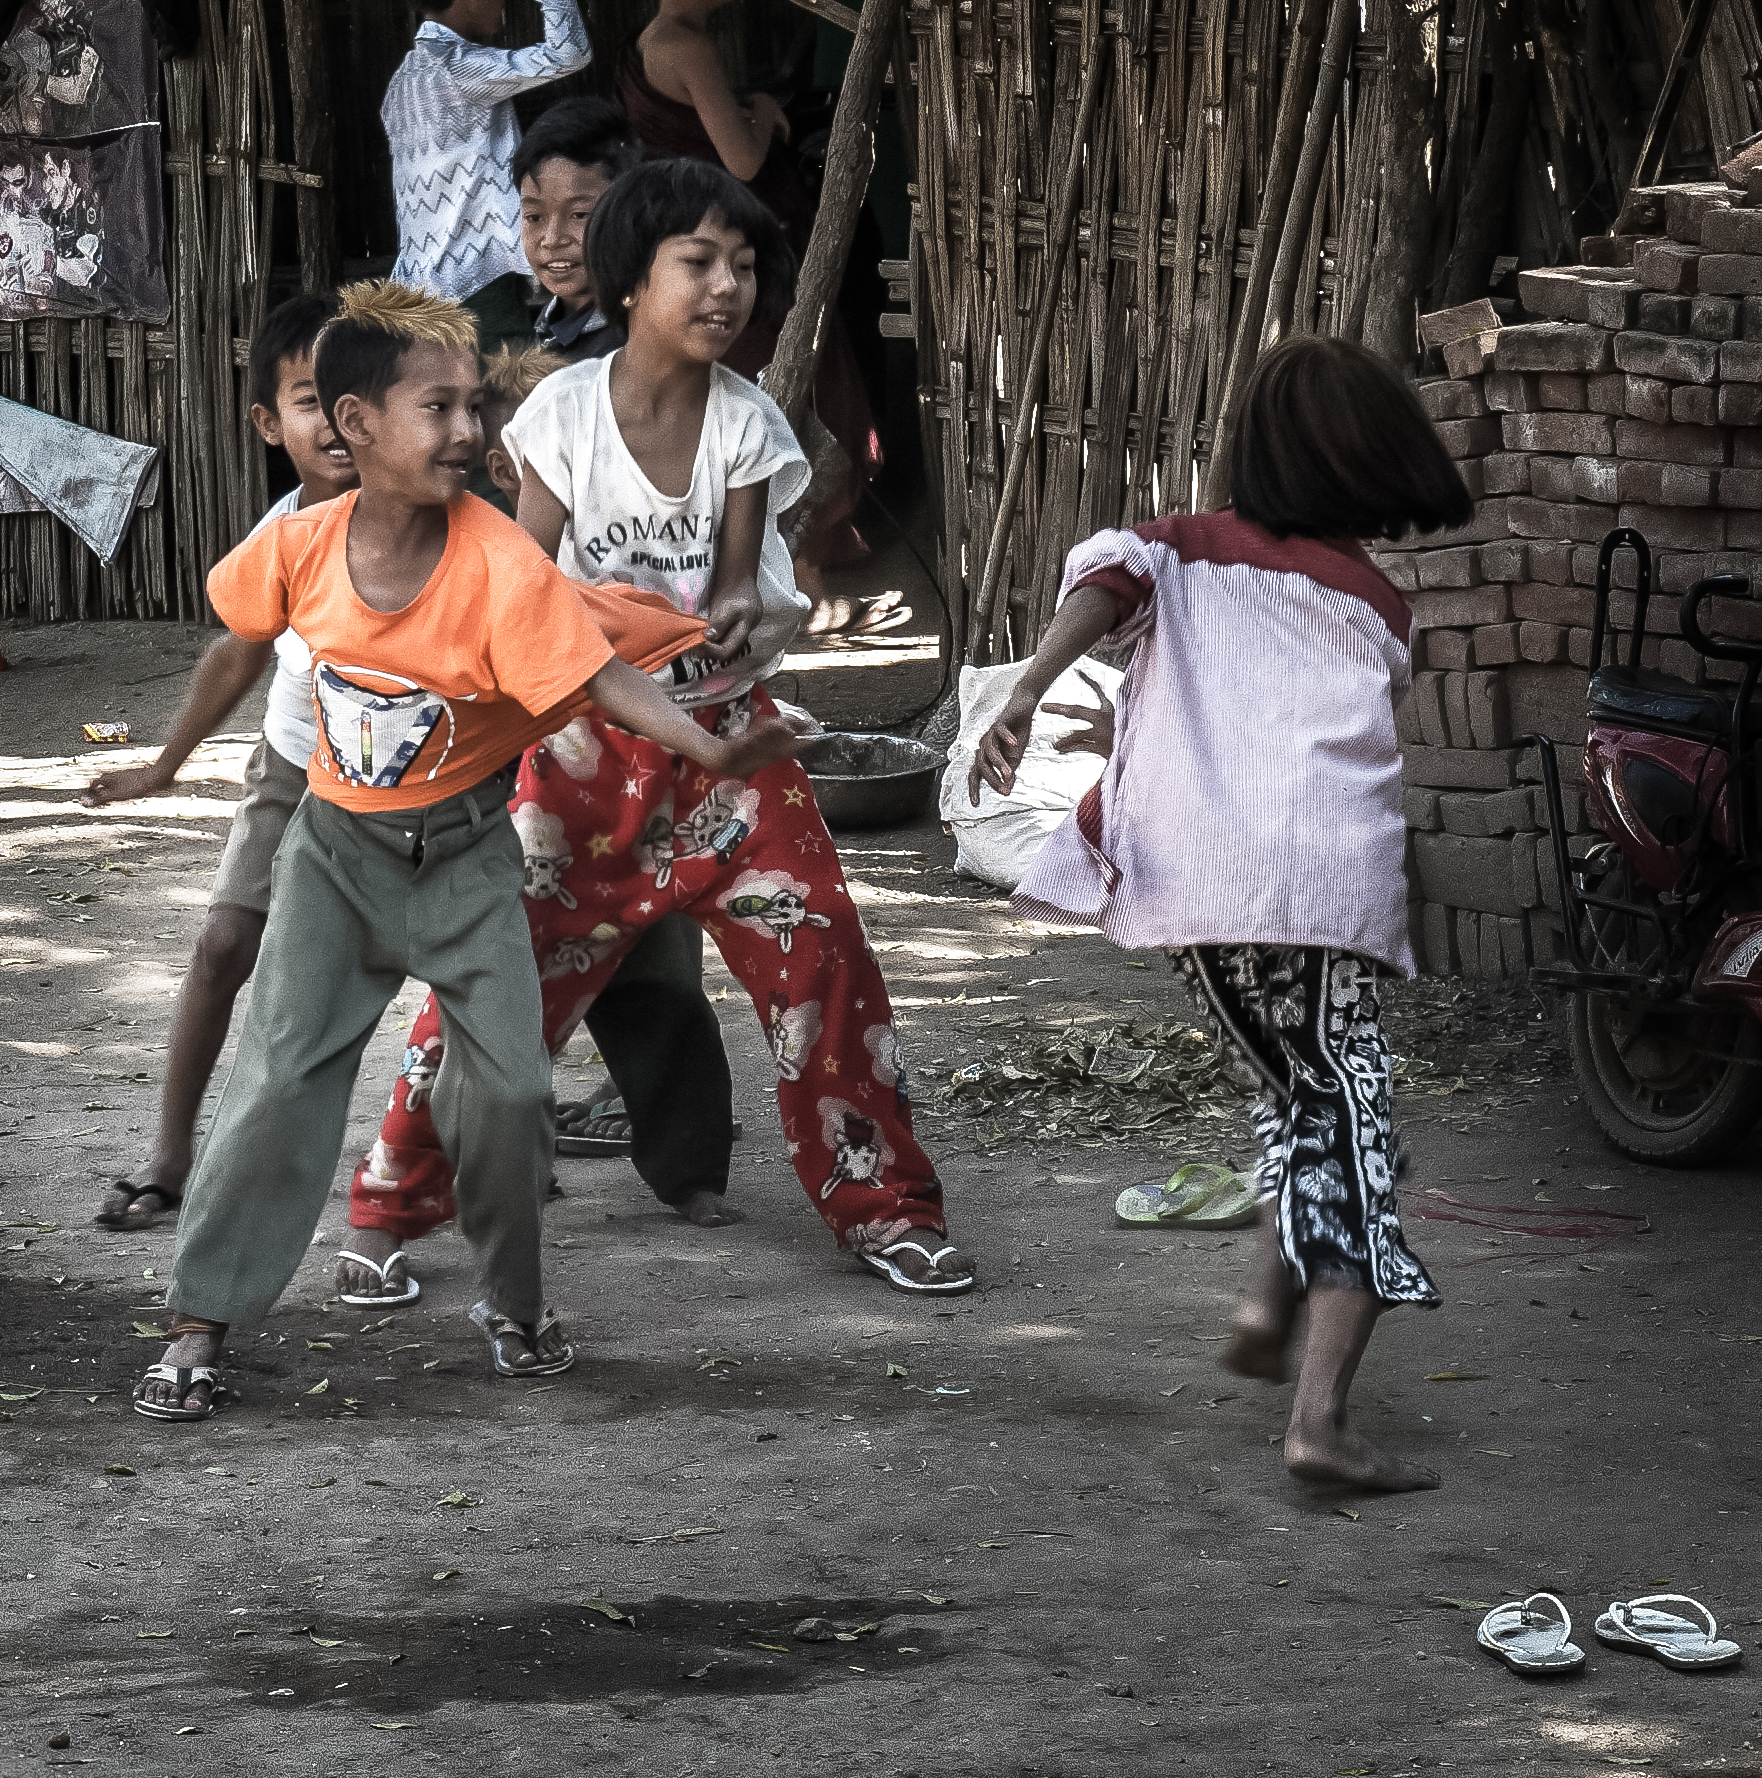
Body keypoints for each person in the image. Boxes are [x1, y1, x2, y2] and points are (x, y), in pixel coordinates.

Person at [130, 279, 800, 1421]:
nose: (467, 432)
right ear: (355, 423)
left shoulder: (497, 560)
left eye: (472, 406)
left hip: (467, 861)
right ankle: (200, 1324)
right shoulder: (299, 544)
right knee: (278, 1082)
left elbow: (600, 672)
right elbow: (238, 645)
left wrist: (709, 743)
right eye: (436, 408)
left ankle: (515, 1304)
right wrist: (165, 762)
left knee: (513, 1089)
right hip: (334, 860)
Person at [350, 161, 973, 1296]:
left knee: (825, 952)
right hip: (582, 759)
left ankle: (887, 1208)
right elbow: (526, 587)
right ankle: (388, 1212)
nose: (727, 286)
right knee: (494, 986)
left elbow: (736, 579)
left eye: (743, 265)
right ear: (633, 277)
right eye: (698, 261)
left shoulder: (748, 423)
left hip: (731, 754)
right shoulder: (562, 416)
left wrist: (732, 610)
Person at [970, 335, 1475, 1489]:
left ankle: (1262, 1303)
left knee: (1306, 1096)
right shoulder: (1377, 602)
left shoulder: (1179, 548)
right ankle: (1320, 1423)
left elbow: (1106, 584)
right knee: (1353, 1134)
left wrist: (1030, 685)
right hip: (1311, 895)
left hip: (1199, 895)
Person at [83, 291, 355, 1231]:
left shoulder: (429, 517)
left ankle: (484, 1143)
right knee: (222, 945)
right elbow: (238, 652)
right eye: (312, 399)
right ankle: (169, 1152)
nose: (339, 420)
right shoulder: (280, 535)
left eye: (355, 392)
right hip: (295, 764)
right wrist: (164, 764)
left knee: (462, 966)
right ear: (268, 423)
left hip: (412, 782)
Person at [618, 0, 881, 587]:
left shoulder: (646, 42)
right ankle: (805, 562)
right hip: (734, 238)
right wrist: (763, 113)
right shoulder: (686, 45)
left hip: (690, 235)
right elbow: (741, 159)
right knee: (801, 383)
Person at [382, 0, 589, 351]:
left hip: (418, 285)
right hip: (477, 284)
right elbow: (569, 53)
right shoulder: (459, 68)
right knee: (512, 382)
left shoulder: (403, 80)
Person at [514, 96, 645, 364]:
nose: (552, 239)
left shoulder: (634, 345)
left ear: (629, 212)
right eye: (534, 217)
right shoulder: (549, 325)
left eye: (579, 214)